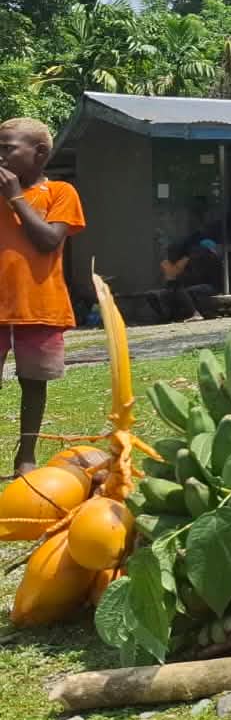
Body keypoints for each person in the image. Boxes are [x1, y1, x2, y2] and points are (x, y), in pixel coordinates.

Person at [0, 119, 85, 475]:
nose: (0, 155)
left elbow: (49, 241)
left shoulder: (61, 192)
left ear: (40, 154)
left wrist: (16, 197)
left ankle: (26, 456)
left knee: (33, 383)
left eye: (8, 148)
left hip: (40, 306)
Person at [150, 234, 222, 323]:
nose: (196, 252)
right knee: (161, 293)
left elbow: (200, 277)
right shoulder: (189, 260)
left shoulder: (210, 259)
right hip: (198, 284)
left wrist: (180, 278)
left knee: (182, 290)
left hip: (211, 286)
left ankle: (195, 314)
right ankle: (170, 317)